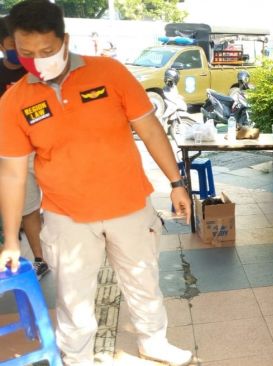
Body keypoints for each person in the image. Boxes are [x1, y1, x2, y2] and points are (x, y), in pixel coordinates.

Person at [0, 1, 193, 365]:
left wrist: (176, 182)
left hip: (130, 205)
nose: (37, 61)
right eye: (26, 53)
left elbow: (150, 128)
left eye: (46, 51)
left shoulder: (109, 72)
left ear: (65, 40)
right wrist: (11, 240)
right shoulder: (14, 101)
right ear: (13, 47)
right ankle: (77, 357)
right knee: (72, 297)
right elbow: (11, 173)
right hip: (66, 215)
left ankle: (154, 342)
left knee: (143, 280)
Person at [0, 15, 49, 279]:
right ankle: (40, 258)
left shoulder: (38, 71)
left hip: (46, 147)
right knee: (28, 207)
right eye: (13, 44)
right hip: (16, 153)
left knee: (58, 202)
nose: (20, 51)